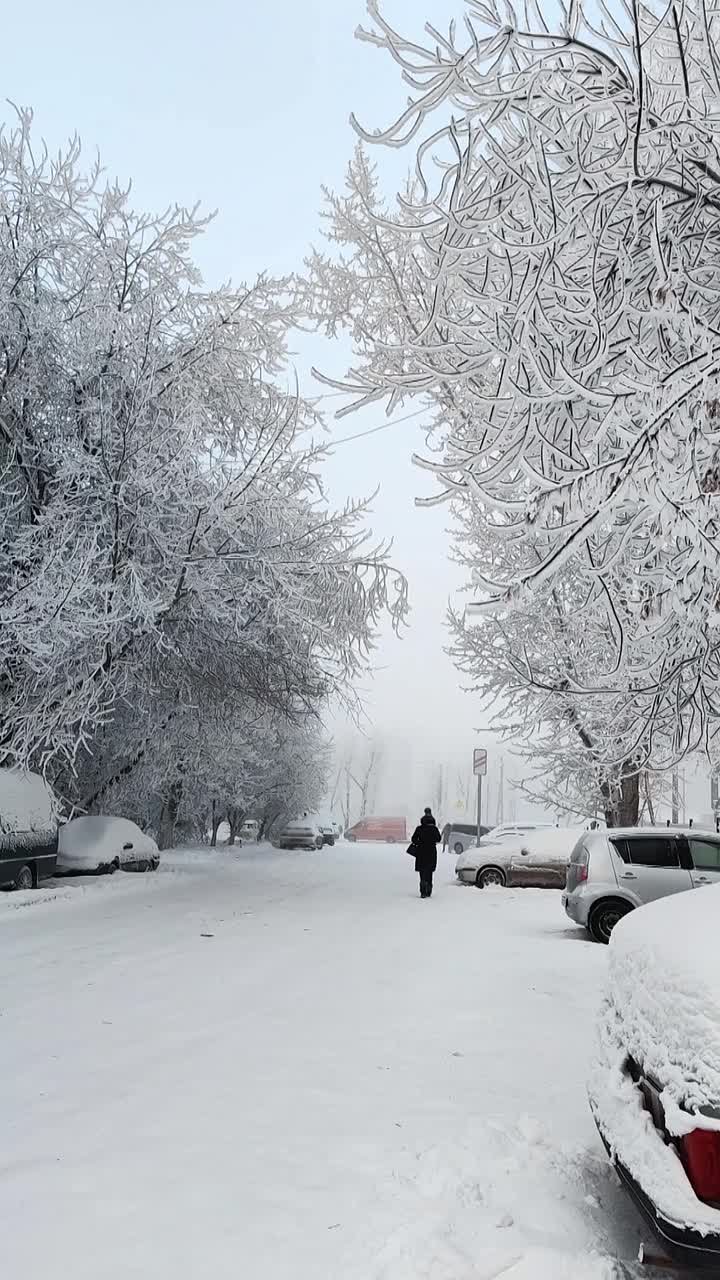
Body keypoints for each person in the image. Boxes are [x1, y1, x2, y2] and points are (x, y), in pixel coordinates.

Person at [410, 807, 441, 898]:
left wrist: (420, 843)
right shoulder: (434, 829)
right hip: (431, 852)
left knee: (422, 872)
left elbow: (413, 839)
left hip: (421, 852)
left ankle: (423, 891)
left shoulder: (419, 828)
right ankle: (429, 890)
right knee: (429, 872)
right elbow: (439, 839)